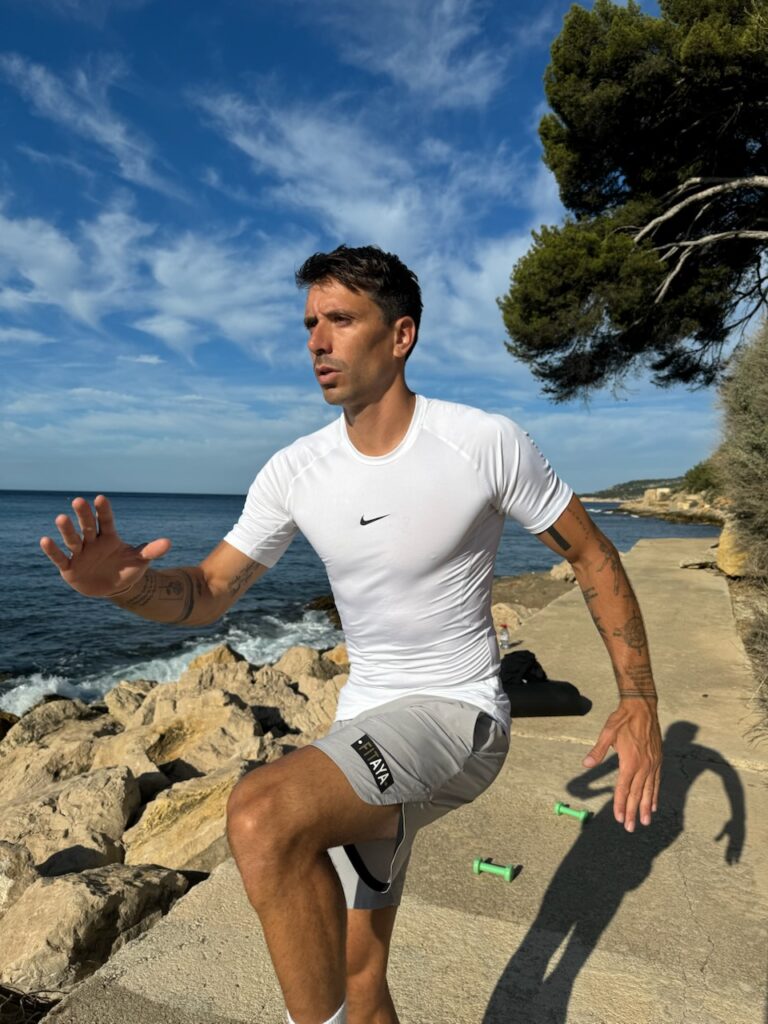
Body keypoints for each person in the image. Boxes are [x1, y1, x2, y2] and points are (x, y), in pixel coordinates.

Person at [40, 245, 662, 1024]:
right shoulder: (296, 470)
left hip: (458, 715)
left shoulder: (481, 442)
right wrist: (127, 589)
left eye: (339, 320)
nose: (316, 341)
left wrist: (640, 700)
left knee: (264, 815)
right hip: (364, 724)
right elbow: (207, 593)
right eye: (309, 324)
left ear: (400, 336)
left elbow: (592, 553)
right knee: (355, 975)